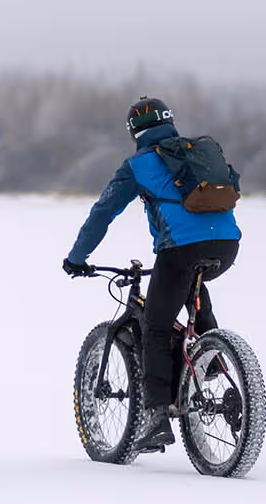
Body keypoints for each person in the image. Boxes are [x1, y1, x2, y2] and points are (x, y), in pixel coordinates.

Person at [62, 97, 241, 452]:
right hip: (227, 245)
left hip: (179, 251)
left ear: (133, 131)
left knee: (156, 326)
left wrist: (77, 257)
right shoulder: (196, 152)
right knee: (192, 293)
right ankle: (212, 360)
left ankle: (156, 417)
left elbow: (104, 212)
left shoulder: (139, 164)